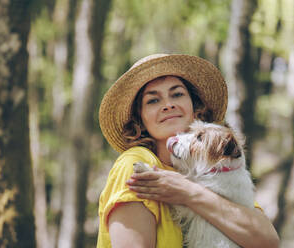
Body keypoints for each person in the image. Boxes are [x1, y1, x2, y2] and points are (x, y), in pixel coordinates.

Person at [97, 54, 279, 248]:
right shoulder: (136, 164)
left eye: (177, 94)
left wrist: (187, 192)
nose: (168, 105)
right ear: (140, 120)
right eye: (153, 101)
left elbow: (268, 241)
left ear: (195, 107)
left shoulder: (213, 168)